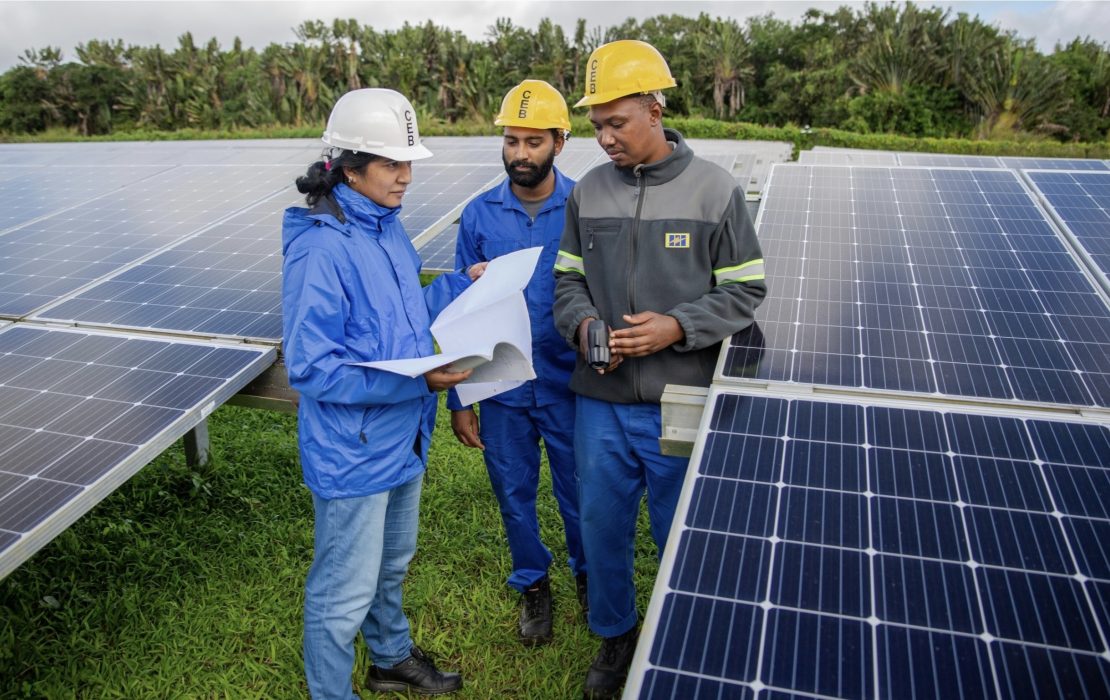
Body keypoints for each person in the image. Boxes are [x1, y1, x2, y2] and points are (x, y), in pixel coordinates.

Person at [553, 40, 767, 699]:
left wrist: (678, 326)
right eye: (596, 127)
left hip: (683, 398)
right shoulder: (589, 192)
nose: (605, 138)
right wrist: (587, 329)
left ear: (654, 108)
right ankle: (616, 634)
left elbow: (746, 288)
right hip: (603, 401)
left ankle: (690, 629)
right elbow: (566, 286)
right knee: (602, 522)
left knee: (683, 524)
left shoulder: (715, 190)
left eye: (617, 122)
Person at [282, 88, 484, 699]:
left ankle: (390, 658)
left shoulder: (385, 227)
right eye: (393, 164)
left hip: (403, 435)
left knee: (391, 565)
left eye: (409, 161)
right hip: (354, 448)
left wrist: (457, 284)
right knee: (342, 591)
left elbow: (404, 323)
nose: (407, 176)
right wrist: (418, 381)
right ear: (348, 166)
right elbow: (312, 368)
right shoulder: (322, 247)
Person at [448, 79, 586, 646]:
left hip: (572, 384)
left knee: (582, 490)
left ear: (559, 142)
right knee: (513, 493)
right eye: (511, 140)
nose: (520, 154)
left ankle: (589, 575)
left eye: (533, 141)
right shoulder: (479, 216)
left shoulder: (585, 205)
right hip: (500, 386)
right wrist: (460, 398)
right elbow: (461, 307)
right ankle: (533, 583)